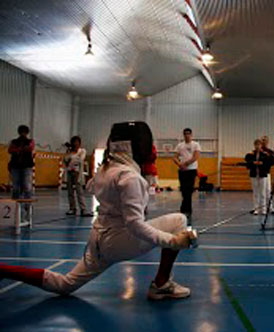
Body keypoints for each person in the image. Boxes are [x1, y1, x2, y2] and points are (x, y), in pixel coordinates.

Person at [0, 121, 196, 299]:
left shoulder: (105, 169)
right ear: (136, 147)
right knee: (179, 220)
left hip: (97, 240)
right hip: (119, 242)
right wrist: (173, 240)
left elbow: (90, 186)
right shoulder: (130, 177)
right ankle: (161, 284)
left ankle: (4, 270)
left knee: (64, 284)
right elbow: (135, 225)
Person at [173, 128, 201, 222]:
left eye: (188, 134)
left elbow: (196, 156)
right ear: (183, 135)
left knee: (189, 190)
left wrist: (186, 164)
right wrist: (179, 164)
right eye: (185, 134)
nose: (187, 135)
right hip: (182, 171)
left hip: (191, 170)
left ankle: (187, 210)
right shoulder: (180, 145)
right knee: (184, 190)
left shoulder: (195, 144)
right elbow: (175, 157)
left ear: (191, 135)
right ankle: (184, 209)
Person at [64, 136, 93, 217]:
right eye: (74, 142)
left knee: (79, 191)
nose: (75, 144)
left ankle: (83, 209)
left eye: (77, 142)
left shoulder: (82, 151)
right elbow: (66, 160)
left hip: (78, 173)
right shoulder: (69, 152)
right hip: (70, 173)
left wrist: (72, 159)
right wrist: (69, 153)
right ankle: (72, 208)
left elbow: (80, 160)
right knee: (70, 191)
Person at [245, 139, 273, 215]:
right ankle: (256, 209)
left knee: (263, 193)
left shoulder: (265, 154)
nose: (257, 146)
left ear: (261, 145)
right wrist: (253, 162)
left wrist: (262, 163)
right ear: (254, 145)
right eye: (256, 145)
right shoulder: (251, 154)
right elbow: (247, 161)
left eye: (259, 145)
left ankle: (264, 209)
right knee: (255, 192)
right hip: (254, 175)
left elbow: (269, 162)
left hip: (263, 175)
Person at [8, 125, 35, 200]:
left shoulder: (30, 141)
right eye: (21, 132)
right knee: (15, 186)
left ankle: (27, 205)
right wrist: (19, 149)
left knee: (27, 185)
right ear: (19, 133)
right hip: (15, 166)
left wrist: (19, 149)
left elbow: (30, 148)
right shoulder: (14, 141)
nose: (23, 134)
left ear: (27, 133)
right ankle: (15, 205)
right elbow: (10, 150)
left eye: (24, 132)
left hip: (27, 166)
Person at [260, 136, 274, 214]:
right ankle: (261, 208)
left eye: (265, 140)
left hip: (267, 173)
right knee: (261, 192)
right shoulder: (258, 151)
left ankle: (270, 207)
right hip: (260, 173)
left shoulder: (270, 151)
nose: (264, 142)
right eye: (263, 140)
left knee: (268, 191)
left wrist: (268, 155)